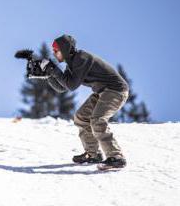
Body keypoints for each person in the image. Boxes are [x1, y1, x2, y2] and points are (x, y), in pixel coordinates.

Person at [43, 34, 130, 169]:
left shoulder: (82, 58)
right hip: (102, 91)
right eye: (53, 51)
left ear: (65, 49)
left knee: (97, 119)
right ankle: (93, 155)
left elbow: (71, 85)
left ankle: (116, 157)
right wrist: (47, 75)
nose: (54, 53)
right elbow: (62, 87)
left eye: (56, 50)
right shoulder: (72, 63)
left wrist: (53, 69)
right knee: (81, 117)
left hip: (115, 90)